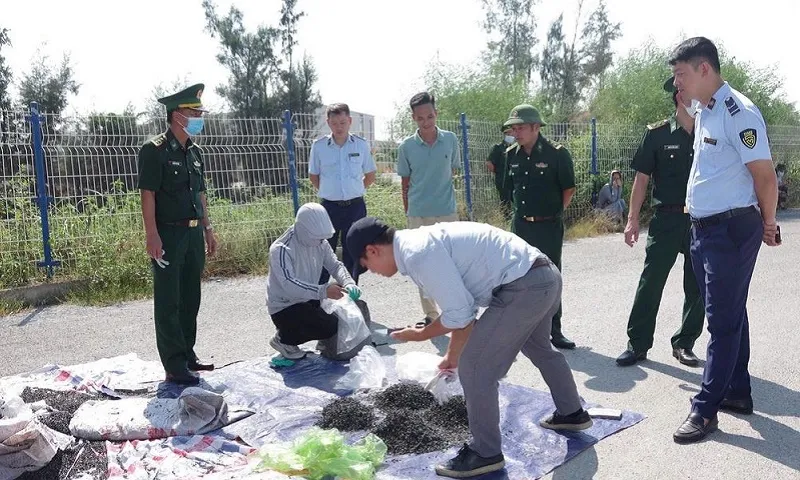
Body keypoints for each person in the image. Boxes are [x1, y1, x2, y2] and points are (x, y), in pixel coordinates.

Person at [345, 217, 592, 478]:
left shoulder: (417, 254)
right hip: (544, 276)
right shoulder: (417, 243)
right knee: (538, 348)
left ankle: (485, 453)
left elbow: (461, 315)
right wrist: (452, 356)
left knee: (476, 369)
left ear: (373, 250)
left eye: (366, 265)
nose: (371, 271)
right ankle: (572, 413)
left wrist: (421, 334)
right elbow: (464, 314)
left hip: (523, 286)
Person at [668, 37, 780, 444]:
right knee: (731, 310)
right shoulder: (707, 109)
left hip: (731, 229)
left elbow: (764, 176)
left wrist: (769, 222)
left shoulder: (739, 112)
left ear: (704, 69)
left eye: (681, 73)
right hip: (703, 229)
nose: (676, 80)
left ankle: (705, 410)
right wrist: (682, 105)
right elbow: (696, 131)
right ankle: (737, 391)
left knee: (721, 320)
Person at [616, 77, 705, 368]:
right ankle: (638, 343)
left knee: (697, 286)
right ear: (680, 95)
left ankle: (684, 343)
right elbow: (641, 180)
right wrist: (632, 221)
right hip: (666, 218)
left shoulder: (709, 131)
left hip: (700, 220)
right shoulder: (657, 134)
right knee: (651, 282)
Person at [137, 83, 218, 386]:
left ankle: (187, 353)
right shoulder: (154, 150)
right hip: (168, 235)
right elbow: (148, 196)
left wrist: (208, 228)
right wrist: (152, 235)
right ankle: (173, 364)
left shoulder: (195, 152)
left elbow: (200, 195)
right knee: (169, 300)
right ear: (176, 115)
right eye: (193, 111)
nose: (198, 116)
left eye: (199, 111)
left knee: (190, 297)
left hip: (194, 234)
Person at [501, 104, 577, 349]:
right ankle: (523, 329)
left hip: (548, 227)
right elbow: (507, 190)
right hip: (521, 226)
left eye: (520, 127)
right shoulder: (511, 155)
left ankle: (554, 330)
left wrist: (553, 213)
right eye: (513, 128)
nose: (516, 132)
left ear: (536, 127)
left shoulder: (556, 154)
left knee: (550, 277)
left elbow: (568, 188)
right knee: (519, 277)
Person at [397, 91, 461, 326]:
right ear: (413, 118)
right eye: (420, 118)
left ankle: (454, 310)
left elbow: (452, 171)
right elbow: (405, 183)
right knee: (422, 266)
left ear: (437, 114)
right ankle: (431, 315)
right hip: (418, 214)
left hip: (447, 212)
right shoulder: (406, 147)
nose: (426, 122)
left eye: (430, 116)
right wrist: (409, 212)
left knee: (451, 264)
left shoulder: (451, 139)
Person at [265, 202, 361, 360]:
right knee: (328, 326)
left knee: (337, 320)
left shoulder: (320, 243)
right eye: (318, 237)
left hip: (308, 298)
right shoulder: (281, 250)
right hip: (285, 306)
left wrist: (348, 282)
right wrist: (324, 291)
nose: (322, 241)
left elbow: (335, 265)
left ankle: (298, 337)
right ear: (302, 229)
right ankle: (283, 339)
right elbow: (289, 284)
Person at [309, 103, 377, 285]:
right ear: (328, 123)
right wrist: (330, 192)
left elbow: (370, 175)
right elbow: (313, 176)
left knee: (353, 252)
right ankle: (320, 295)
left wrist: (355, 190)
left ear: (350, 121)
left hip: (355, 206)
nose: (339, 127)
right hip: (329, 207)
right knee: (324, 251)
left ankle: (351, 292)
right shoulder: (319, 146)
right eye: (334, 123)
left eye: (342, 122)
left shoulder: (361, 145)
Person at [485, 127, 516, 220]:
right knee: (505, 201)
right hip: (503, 179)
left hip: (515, 179)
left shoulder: (517, 147)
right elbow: (489, 163)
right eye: (507, 133)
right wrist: (498, 172)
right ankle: (507, 220)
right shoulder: (498, 147)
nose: (509, 135)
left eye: (511, 133)